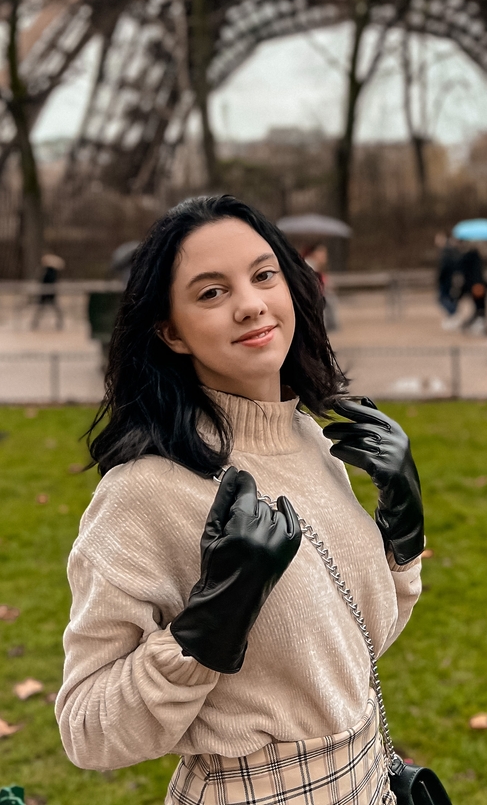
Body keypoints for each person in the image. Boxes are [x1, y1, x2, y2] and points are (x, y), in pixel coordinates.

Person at [55, 195, 424, 805]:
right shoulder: (144, 492)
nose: (251, 304)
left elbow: (349, 654)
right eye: (210, 293)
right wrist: (210, 627)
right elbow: (87, 733)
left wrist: (402, 538)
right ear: (170, 331)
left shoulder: (312, 438)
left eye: (262, 275)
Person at [303, 241, 339, 331]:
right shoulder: (308, 265)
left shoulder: (314, 265)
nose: (324, 255)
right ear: (314, 253)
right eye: (321, 252)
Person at [456, 243, 487, 335]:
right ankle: (478, 323)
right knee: (479, 307)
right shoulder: (475, 256)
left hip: (474, 285)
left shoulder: (468, 256)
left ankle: (477, 323)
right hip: (477, 285)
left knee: (478, 306)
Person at [31, 253, 65, 330]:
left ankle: (35, 323)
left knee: (44, 309)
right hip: (47, 293)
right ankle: (35, 323)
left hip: (48, 294)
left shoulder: (50, 272)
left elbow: (48, 282)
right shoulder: (47, 271)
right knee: (42, 309)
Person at [434, 232, 462, 323]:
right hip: (449, 278)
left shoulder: (447, 251)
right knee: (448, 298)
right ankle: (452, 315)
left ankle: (453, 314)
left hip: (447, 279)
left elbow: (445, 267)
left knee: (443, 298)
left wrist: (440, 277)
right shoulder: (450, 250)